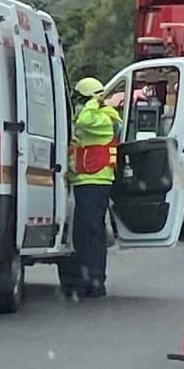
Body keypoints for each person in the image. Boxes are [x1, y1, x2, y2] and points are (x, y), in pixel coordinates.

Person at [60, 76, 121, 299]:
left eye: (81, 99)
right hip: (85, 181)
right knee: (84, 234)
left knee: (91, 234)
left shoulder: (104, 119)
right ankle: (86, 279)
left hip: (96, 182)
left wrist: (94, 101)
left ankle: (95, 281)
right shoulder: (94, 116)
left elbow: (84, 121)